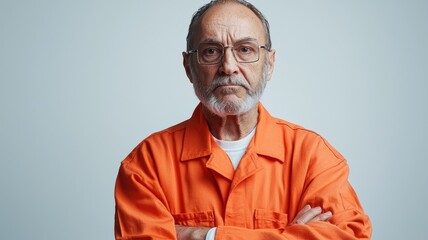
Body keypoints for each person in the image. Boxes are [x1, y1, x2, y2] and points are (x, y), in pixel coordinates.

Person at [114, 0, 372, 239]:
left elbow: (351, 235)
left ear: (269, 64)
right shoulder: (146, 165)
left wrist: (204, 235)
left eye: (245, 49)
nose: (228, 66)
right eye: (211, 51)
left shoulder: (314, 158)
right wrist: (289, 234)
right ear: (188, 67)